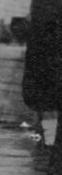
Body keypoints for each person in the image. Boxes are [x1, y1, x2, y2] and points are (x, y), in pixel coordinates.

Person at [24, 18, 61, 149]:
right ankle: (50, 141)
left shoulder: (39, 46)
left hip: (45, 83)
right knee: (50, 112)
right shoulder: (53, 47)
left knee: (47, 112)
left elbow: (30, 67)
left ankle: (49, 141)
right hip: (52, 82)